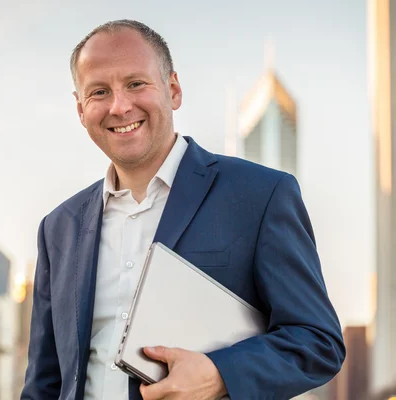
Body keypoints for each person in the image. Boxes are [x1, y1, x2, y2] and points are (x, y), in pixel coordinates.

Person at [21, 19, 345, 400]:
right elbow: (45, 382)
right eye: (99, 92)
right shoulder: (59, 227)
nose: (120, 106)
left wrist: (220, 374)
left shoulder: (260, 195)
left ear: (173, 90)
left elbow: (317, 341)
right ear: (80, 110)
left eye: (136, 84)